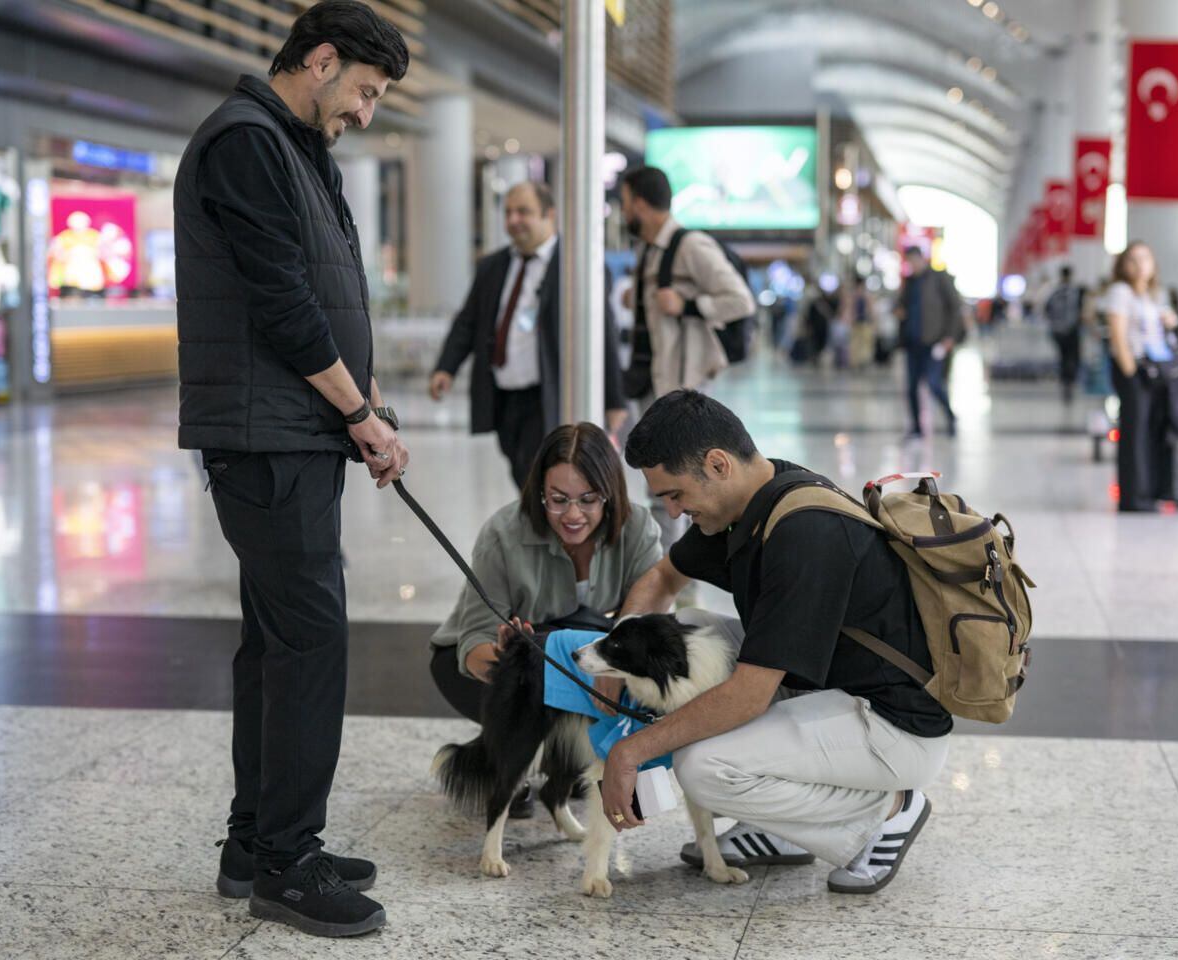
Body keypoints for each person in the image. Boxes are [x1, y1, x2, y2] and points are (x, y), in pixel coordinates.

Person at [174, 1, 409, 938]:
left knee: (278, 642)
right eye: (363, 89)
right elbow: (282, 301)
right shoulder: (246, 142)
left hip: (294, 430)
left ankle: (255, 841)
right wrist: (355, 410)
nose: (366, 111)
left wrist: (368, 406)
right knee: (310, 642)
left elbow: (330, 290)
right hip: (267, 434)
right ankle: (288, 862)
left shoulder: (292, 146)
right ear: (317, 61)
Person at [597, 391, 950, 894]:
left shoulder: (804, 532)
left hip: (894, 727)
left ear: (717, 464)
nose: (673, 512)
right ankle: (782, 825)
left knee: (701, 766)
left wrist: (629, 752)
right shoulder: (747, 501)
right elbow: (663, 578)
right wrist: (616, 662)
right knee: (689, 629)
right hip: (831, 689)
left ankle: (886, 812)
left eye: (674, 495)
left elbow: (749, 694)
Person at [430, 422, 663, 813]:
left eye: (588, 499)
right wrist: (505, 660)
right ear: (540, 493)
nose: (573, 515)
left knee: (616, 684)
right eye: (558, 499)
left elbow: (655, 622)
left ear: (610, 494)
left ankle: (556, 761)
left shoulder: (638, 529)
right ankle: (516, 762)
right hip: (493, 668)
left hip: (582, 656)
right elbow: (471, 640)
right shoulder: (503, 534)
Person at [430, 182, 628, 489]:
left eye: (524, 212)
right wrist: (446, 367)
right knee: (523, 474)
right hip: (504, 396)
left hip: (549, 396)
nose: (513, 220)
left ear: (550, 215)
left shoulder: (576, 265)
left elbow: (604, 333)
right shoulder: (493, 266)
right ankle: (539, 530)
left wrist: (614, 399)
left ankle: (546, 533)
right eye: (508, 212)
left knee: (544, 479)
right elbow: (468, 321)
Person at [619, 165, 755, 546]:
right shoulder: (648, 248)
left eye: (626, 202)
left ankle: (675, 570)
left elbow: (740, 300)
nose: (624, 210)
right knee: (657, 480)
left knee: (678, 484)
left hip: (679, 384)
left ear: (641, 204)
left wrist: (689, 304)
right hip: (649, 379)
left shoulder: (690, 245)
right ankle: (666, 565)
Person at [1103, 242, 1178, 512]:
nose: (1140, 265)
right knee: (1134, 433)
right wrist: (1129, 371)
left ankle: (1151, 490)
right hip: (1135, 370)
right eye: (1134, 260)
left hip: (1156, 370)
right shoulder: (1120, 292)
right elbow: (1117, 334)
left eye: (1146, 259)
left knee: (1152, 430)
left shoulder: (1152, 295)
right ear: (1123, 265)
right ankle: (1134, 496)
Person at [896, 247, 963, 438]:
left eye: (914, 260)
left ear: (922, 259)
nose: (913, 265)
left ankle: (950, 416)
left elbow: (954, 308)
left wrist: (950, 336)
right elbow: (901, 306)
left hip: (934, 342)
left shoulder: (939, 279)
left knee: (934, 384)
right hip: (912, 342)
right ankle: (916, 427)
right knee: (911, 387)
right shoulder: (909, 282)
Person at [1044, 266, 1084, 404]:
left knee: (1063, 357)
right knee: (1073, 357)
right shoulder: (1076, 291)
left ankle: (1065, 380)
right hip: (1072, 330)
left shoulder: (1055, 292)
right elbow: (1081, 311)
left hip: (1058, 332)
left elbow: (1047, 310)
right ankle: (1070, 381)